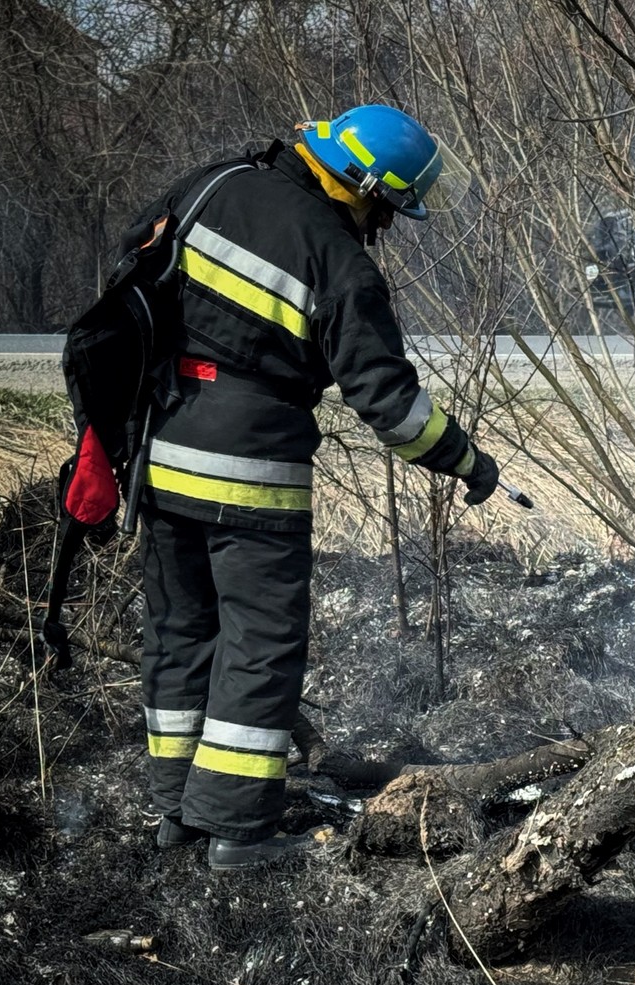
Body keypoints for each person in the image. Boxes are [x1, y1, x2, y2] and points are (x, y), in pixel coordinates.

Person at [125, 105, 498, 868]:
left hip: (159, 454)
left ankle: (176, 814)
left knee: (179, 634)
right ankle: (236, 832)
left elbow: (132, 274)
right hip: (253, 474)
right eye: (386, 209)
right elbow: (392, 408)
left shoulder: (215, 183)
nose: (383, 225)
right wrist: (468, 462)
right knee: (259, 646)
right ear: (360, 186)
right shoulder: (337, 258)